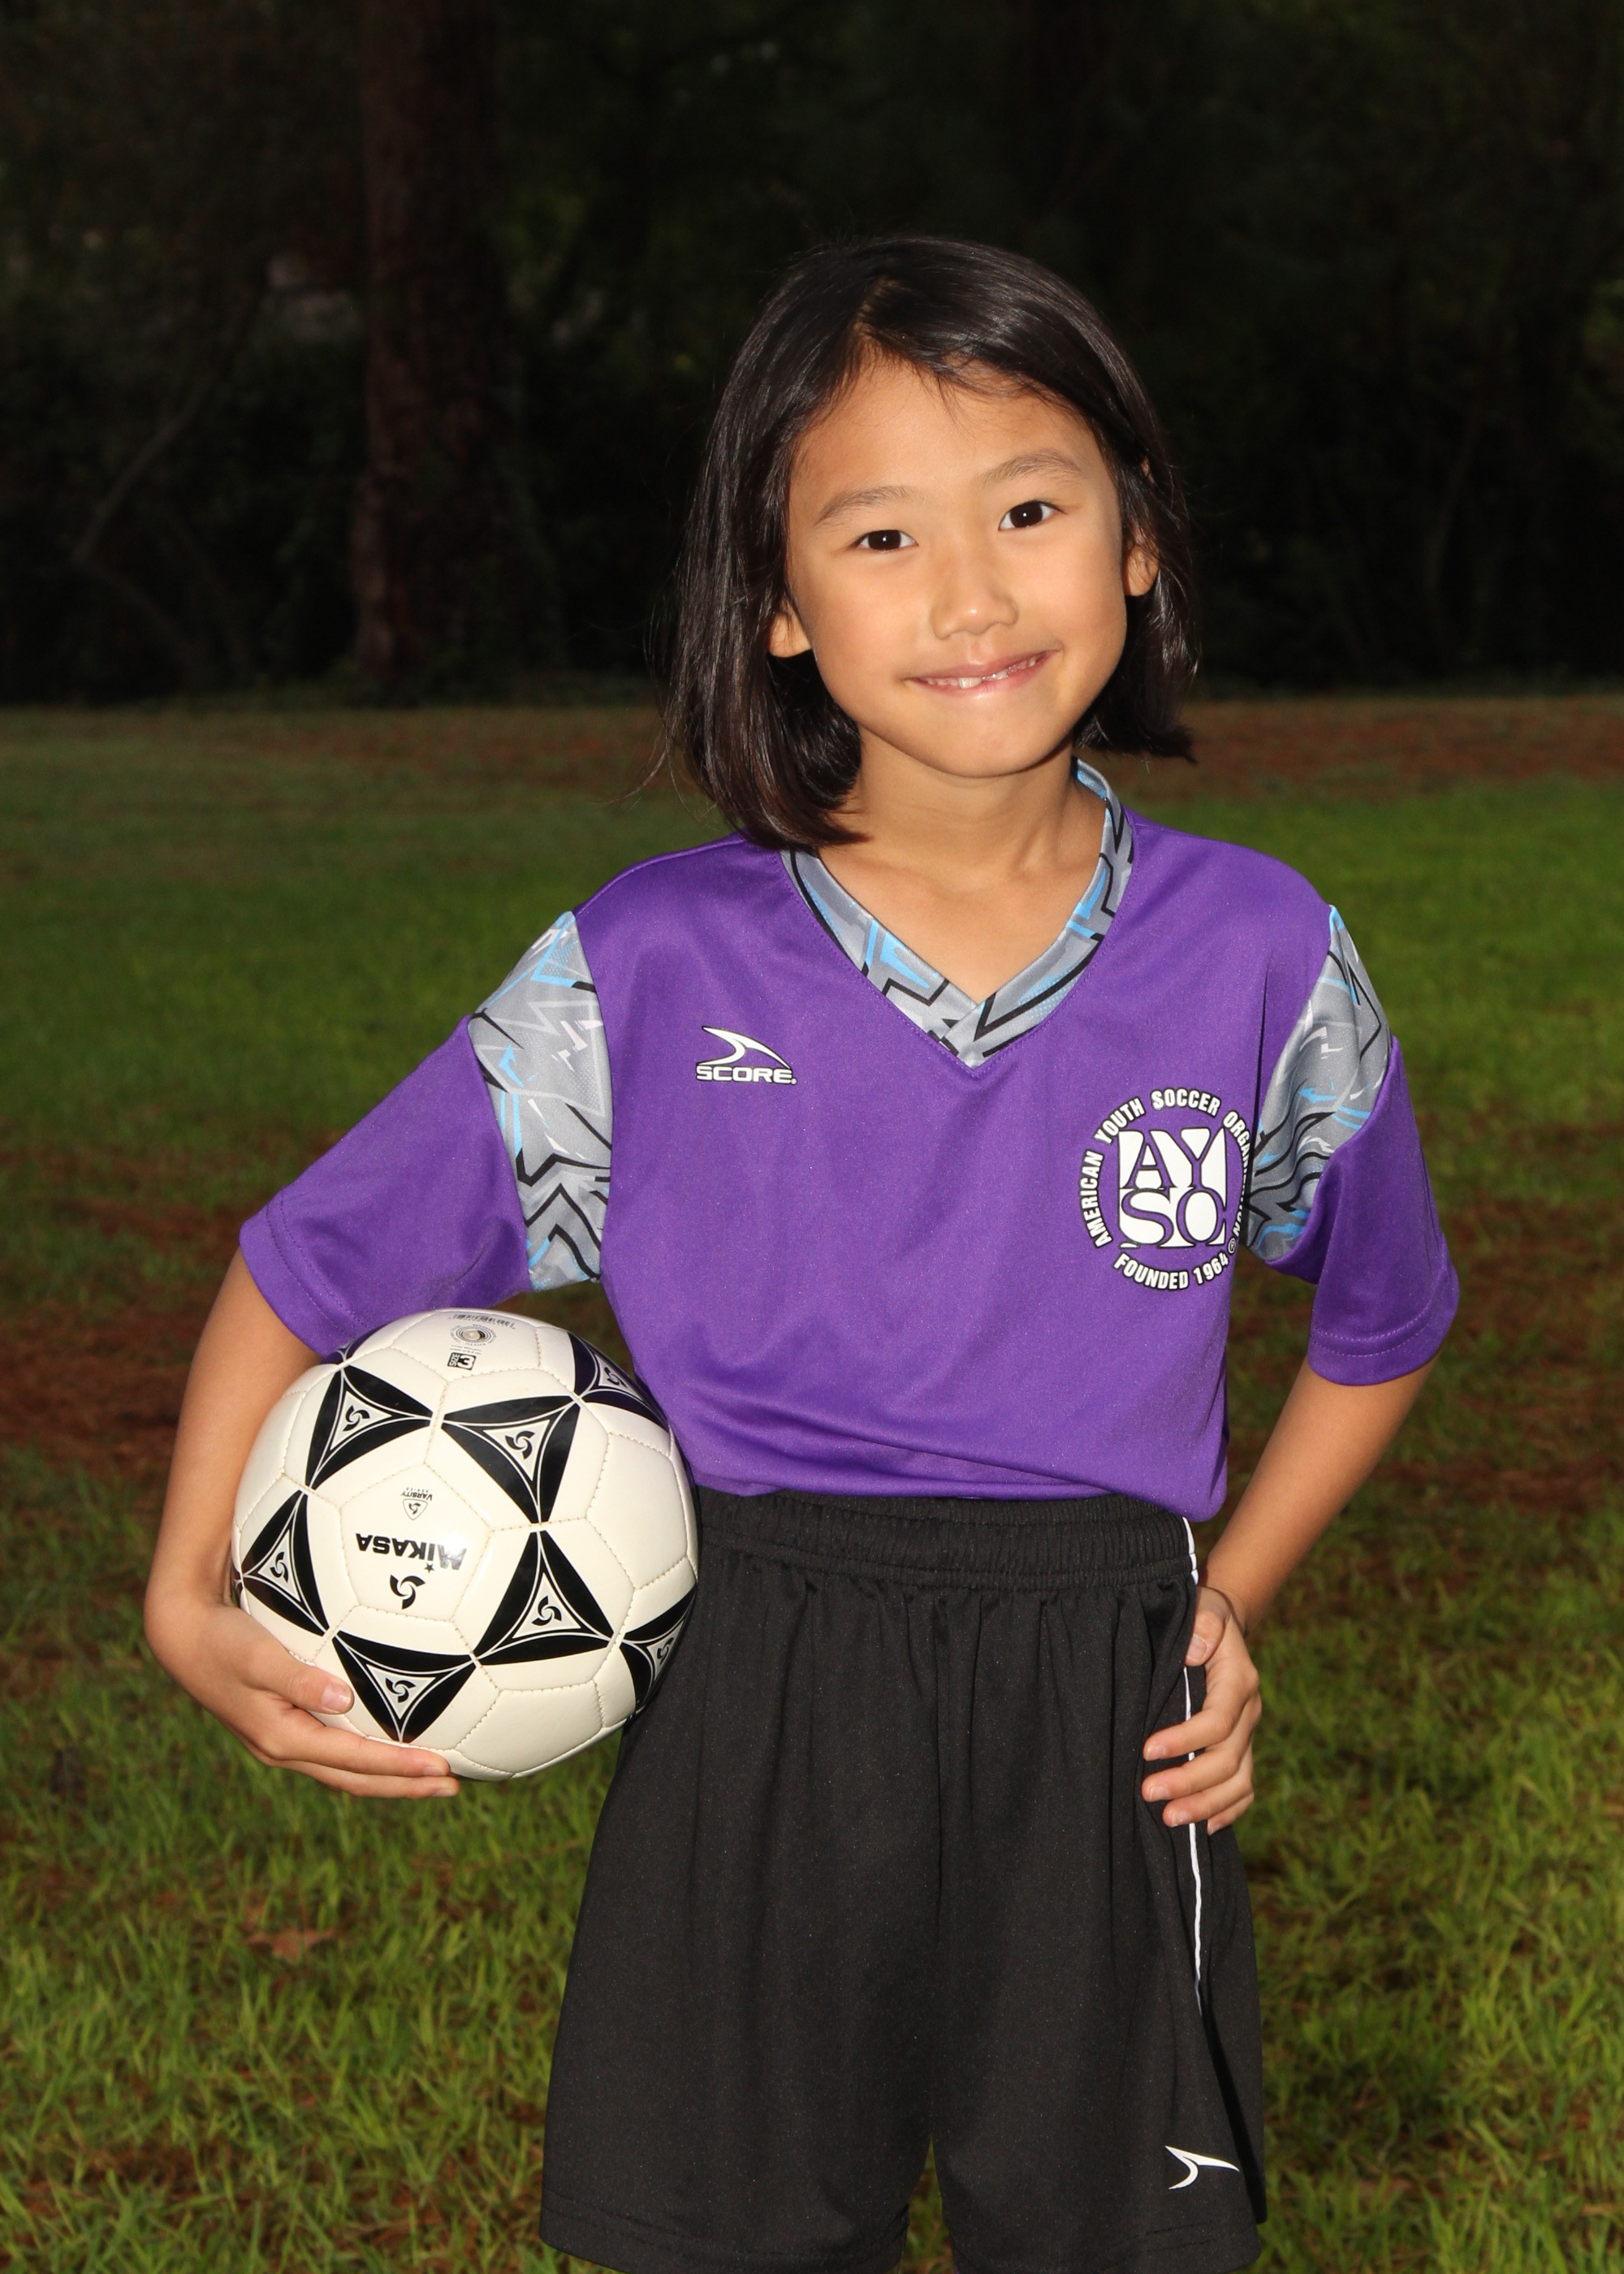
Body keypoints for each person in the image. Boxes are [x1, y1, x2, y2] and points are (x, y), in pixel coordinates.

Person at [145, 237, 1458, 2274]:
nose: (969, 592)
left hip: (1101, 1698)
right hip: (749, 1683)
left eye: (1030, 508)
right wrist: (187, 1582)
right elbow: (315, 1259)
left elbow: (1382, 1314)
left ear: (1136, 540)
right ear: (773, 599)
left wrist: (1229, 1596)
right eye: (879, 533)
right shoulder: (654, 964)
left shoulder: (1261, 948)